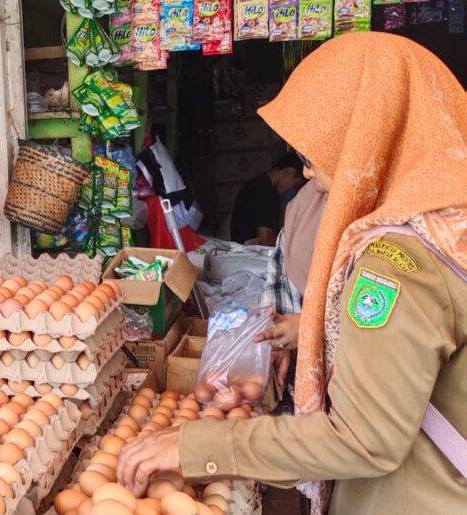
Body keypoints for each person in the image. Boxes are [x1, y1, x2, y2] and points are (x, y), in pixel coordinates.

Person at [116, 32, 467, 515]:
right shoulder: (449, 223)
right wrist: (313, 329)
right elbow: (430, 339)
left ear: (368, 135)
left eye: (313, 153)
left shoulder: (396, 263)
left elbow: (364, 439)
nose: (304, 173)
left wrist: (198, 447)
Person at [257, 180, 327, 389]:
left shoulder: (383, 220)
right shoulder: (305, 203)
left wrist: (311, 326)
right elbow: (280, 271)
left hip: (357, 384)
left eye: (312, 163)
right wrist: (279, 334)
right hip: (308, 373)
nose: (306, 173)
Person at [230, 152, 306, 246]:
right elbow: (265, 241)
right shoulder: (265, 191)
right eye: (296, 185)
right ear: (288, 172)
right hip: (249, 254)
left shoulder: (258, 185)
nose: (292, 190)